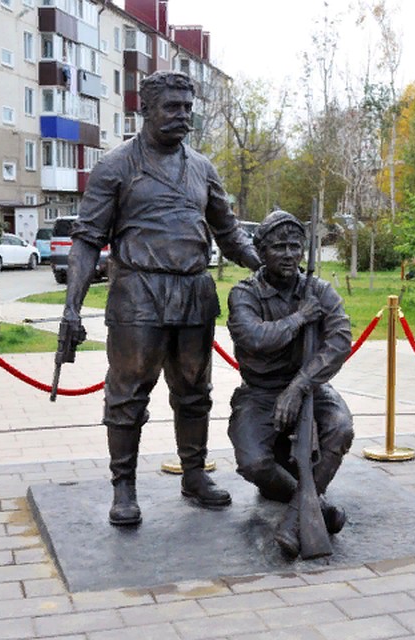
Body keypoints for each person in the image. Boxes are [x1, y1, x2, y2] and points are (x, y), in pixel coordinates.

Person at [58, 70, 261, 527]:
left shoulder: (202, 169)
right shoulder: (116, 166)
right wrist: (71, 307)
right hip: (138, 294)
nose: (182, 116)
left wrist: (264, 266)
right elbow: (87, 240)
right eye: (172, 106)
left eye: (187, 108)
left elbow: (229, 232)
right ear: (145, 110)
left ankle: (194, 474)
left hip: (193, 293)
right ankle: (123, 486)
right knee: (128, 394)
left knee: (194, 391)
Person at [226, 211, 354, 557]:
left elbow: (340, 341)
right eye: (278, 247)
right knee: (253, 462)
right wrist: (300, 318)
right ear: (261, 252)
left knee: (340, 427)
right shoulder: (245, 293)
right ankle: (317, 505)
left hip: (308, 386)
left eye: (295, 247)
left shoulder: (319, 290)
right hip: (260, 392)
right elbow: (254, 338)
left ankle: (295, 519)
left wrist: (299, 386)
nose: (288, 254)